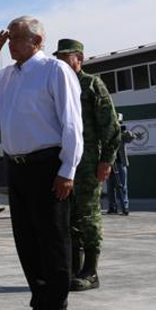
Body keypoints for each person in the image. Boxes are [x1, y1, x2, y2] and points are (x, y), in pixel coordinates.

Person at [0, 16, 82, 310]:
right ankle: (40, 305)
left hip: (48, 167)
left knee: (53, 240)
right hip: (18, 168)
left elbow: (72, 124)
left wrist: (67, 170)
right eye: (9, 38)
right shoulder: (8, 76)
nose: (9, 44)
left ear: (37, 42)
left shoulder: (55, 71)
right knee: (27, 241)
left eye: (15, 39)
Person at [54, 39, 120, 293]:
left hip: (89, 161)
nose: (60, 61)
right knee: (67, 215)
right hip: (63, 161)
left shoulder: (91, 84)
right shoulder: (58, 86)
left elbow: (110, 125)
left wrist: (107, 160)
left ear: (79, 58)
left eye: (65, 56)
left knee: (88, 213)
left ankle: (91, 271)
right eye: (58, 56)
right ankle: (73, 269)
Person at [107, 124, 135, 215]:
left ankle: (125, 208)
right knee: (110, 187)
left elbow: (131, 137)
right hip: (109, 163)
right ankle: (112, 207)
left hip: (120, 163)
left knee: (122, 186)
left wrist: (123, 131)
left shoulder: (121, 135)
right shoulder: (107, 133)